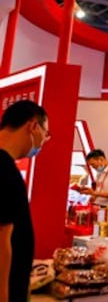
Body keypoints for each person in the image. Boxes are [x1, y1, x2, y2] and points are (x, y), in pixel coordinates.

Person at [0, 100, 48, 302]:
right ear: (33, 126)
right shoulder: (4, 169)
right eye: (46, 133)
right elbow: (2, 239)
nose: (43, 141)